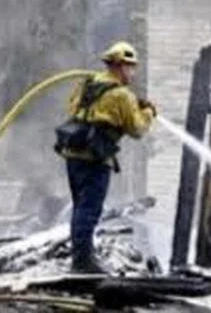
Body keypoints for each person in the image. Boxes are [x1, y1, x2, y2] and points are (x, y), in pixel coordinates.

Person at [54, 41, 157, 274]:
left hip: (73, 155)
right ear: (120, 66)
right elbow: (137, 129)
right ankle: (82, 262)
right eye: (130, 67)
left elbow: (73, 109)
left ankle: (81, 256)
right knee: (90, 210)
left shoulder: (87, 84)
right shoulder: (122, 95)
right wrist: (148, 112)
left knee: (80, 208)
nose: (132, 73)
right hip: (95, 160)